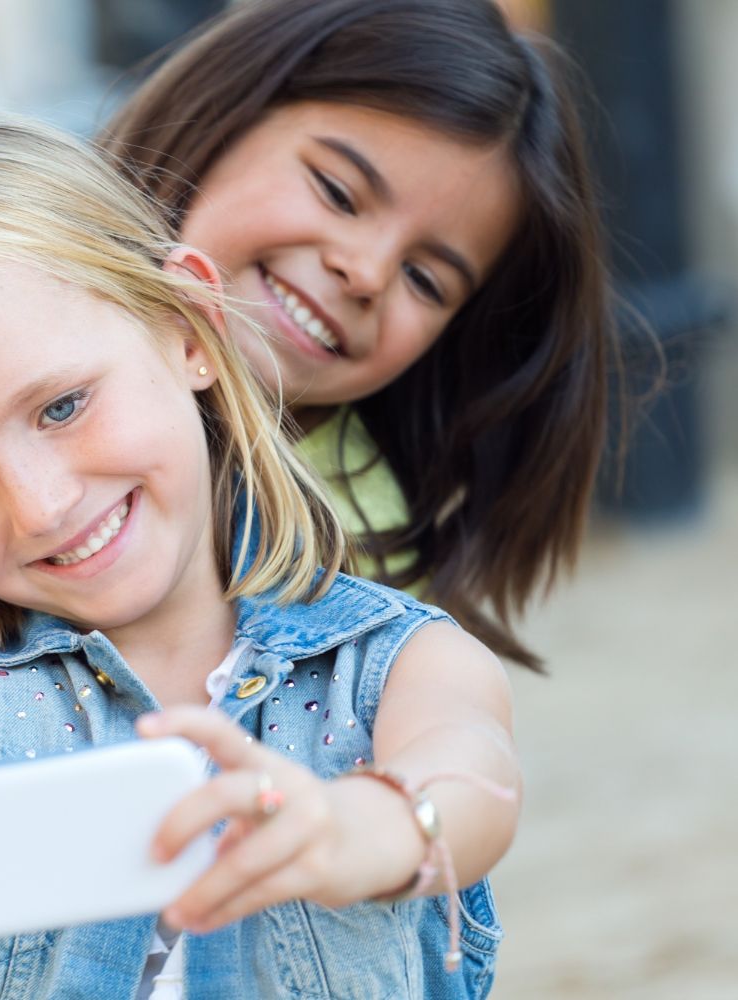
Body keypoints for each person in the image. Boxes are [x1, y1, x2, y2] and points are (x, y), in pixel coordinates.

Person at [0, 112, 520, 1000]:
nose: (41, 505)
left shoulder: (400, 665)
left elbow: (474, 782)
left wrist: (355, 830)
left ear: (187, 328)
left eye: (62, 407)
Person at [101, 0, 613, 669]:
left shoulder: (354, 545)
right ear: (226, 112)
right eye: (339, 193)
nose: (366, 273)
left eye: (426, 280)